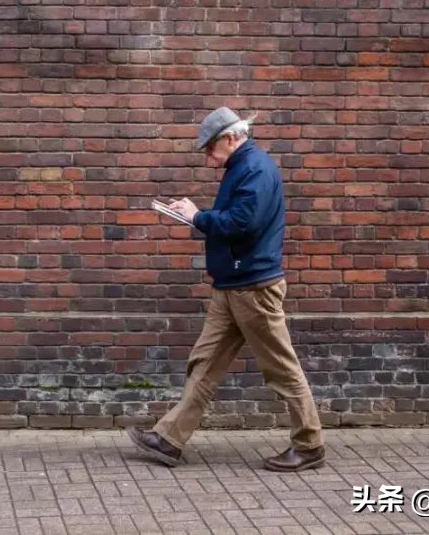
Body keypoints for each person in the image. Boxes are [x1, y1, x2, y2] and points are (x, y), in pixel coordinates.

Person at [126, 107, 326, 472]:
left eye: (209, 148)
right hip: (233, 285)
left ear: (231, 138)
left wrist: (197, 217)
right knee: (204, 364)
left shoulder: (255, 169)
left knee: (282, 369)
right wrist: (196, 215)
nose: (207, 156)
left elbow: (241, 224)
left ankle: (310, 445)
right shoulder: (242, 167)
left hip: (253, 288)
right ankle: (168, 439)